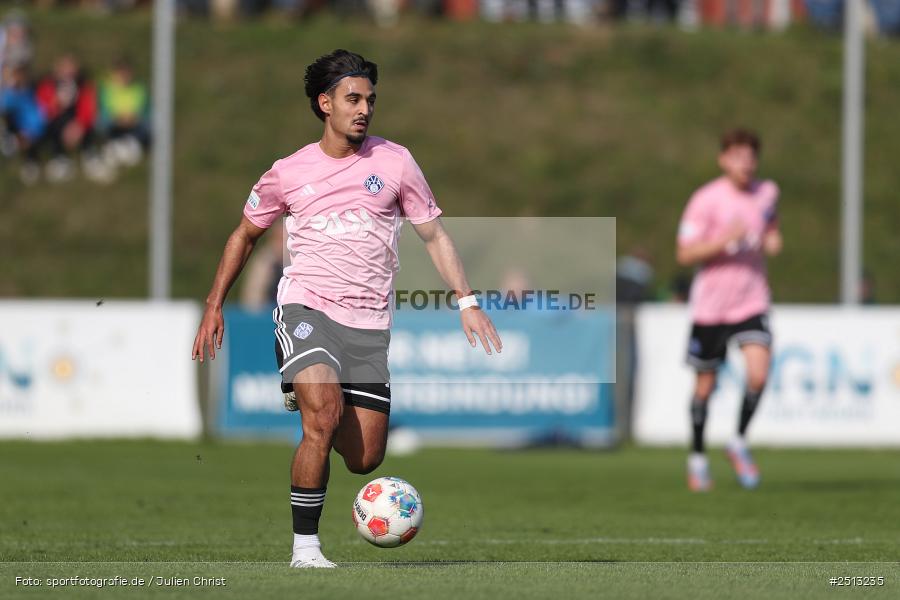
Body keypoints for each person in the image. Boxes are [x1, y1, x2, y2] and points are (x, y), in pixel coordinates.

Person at [191, 49, 502, 568]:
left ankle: (312, 398)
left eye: (370, 100)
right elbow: (244, 235)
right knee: (323, 418)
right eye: (353, 99)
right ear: (324, 103)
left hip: (369, 323)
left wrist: (467, 301)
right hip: (306, 308)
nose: (364, 109)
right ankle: (305, 549)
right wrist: (214, 304)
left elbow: (434, 235)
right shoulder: (288, 172)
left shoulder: (396, 162)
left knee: (364, 458)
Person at [675, 128, 782, 492]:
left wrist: (771, 239)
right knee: (705, 385)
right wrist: (724, 241)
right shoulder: (705, 200)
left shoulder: (767, 192)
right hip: (711, 306)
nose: (745, 164)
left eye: (751, 157)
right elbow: (685, 254)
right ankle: (698, 458)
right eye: (737, 156)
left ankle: (737, 441)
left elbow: (771, 227)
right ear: (723, 160)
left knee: (759, 374)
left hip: (751, 300)